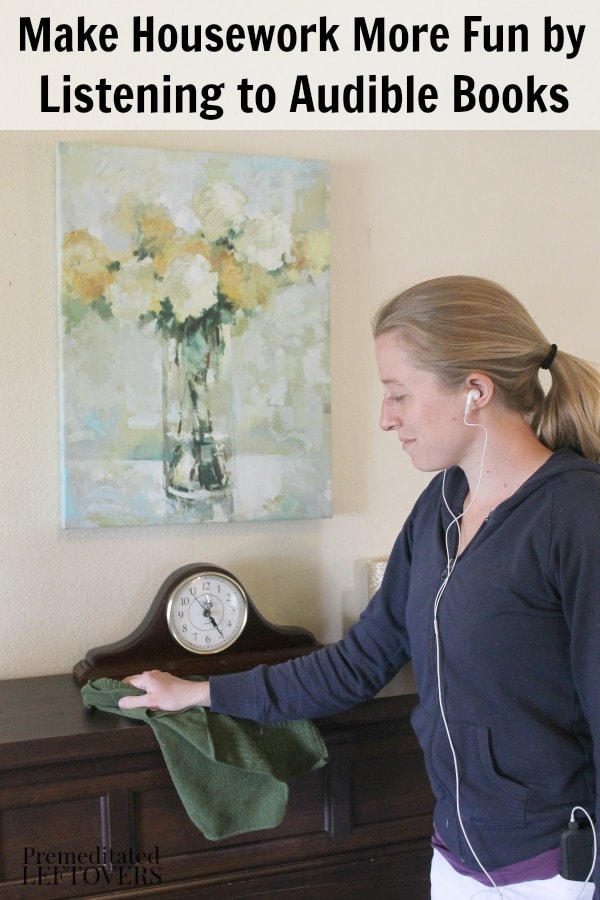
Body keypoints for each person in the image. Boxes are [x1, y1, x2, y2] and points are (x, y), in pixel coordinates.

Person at [119, 275, 600, 899]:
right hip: (456, 861)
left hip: (555, 871)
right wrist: (201, 692)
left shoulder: (576, 513)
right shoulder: (442, 506)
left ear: (474, 391)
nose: (384, 417)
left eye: (399, 393)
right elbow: (358, 662)